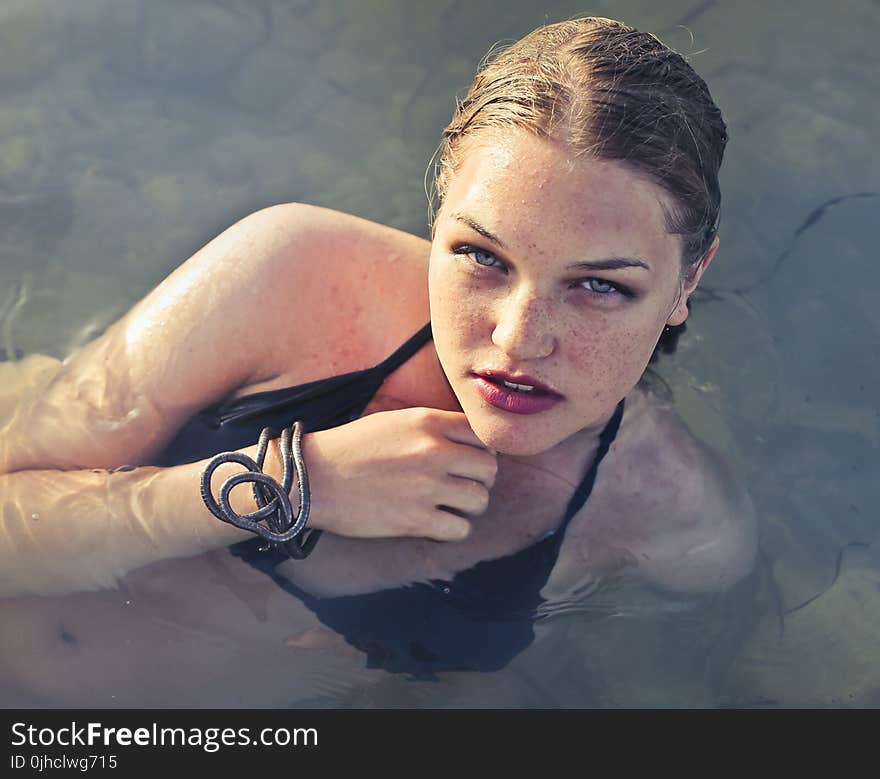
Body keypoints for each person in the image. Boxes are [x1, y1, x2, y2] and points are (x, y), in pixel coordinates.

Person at [0, 17, 756, 694]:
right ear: (435, 221)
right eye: (481, 256)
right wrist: (291, 485)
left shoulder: (682, 533)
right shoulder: (292, 274)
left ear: (690, 277)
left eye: (597, 284)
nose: (519, 339)